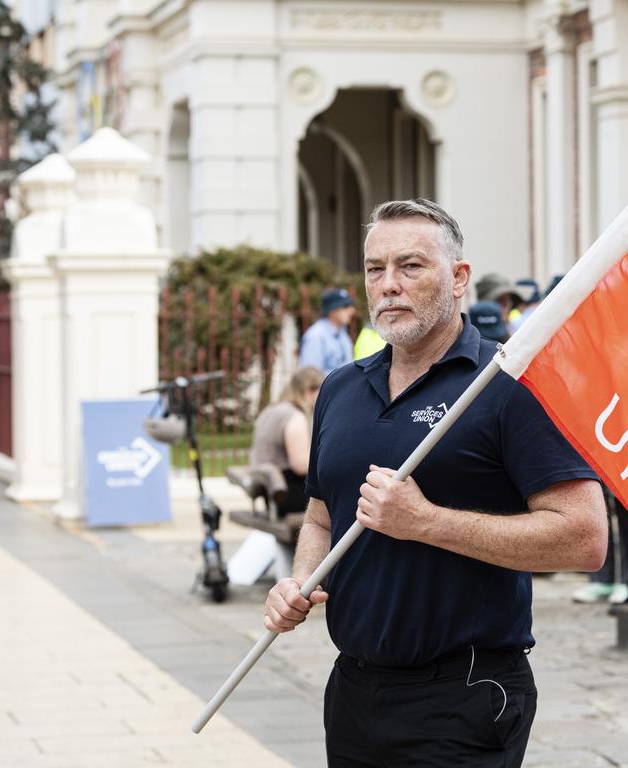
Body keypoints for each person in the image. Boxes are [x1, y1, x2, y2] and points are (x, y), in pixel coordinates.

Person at [263, 197, 607, 767]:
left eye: (411, 266)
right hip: (353, 689)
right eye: (376, 269)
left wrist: (426, 523)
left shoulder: (510, 385)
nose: (389, 284)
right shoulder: (340, 390)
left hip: (466, 691)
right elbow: (323, 517)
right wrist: (299, 581)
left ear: (458, 278)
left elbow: (584, 539)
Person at [248, 366, 324, 515]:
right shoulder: (294, 416)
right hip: (287, 493)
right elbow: (301, 465)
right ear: (308, 391)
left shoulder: (271, 410)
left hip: (269, 490)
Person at [299, 288, 356, 375]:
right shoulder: (316, 336)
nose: (352, 310)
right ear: (332, 310)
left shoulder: (342, 334)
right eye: (345, 306)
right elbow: (310, 378)